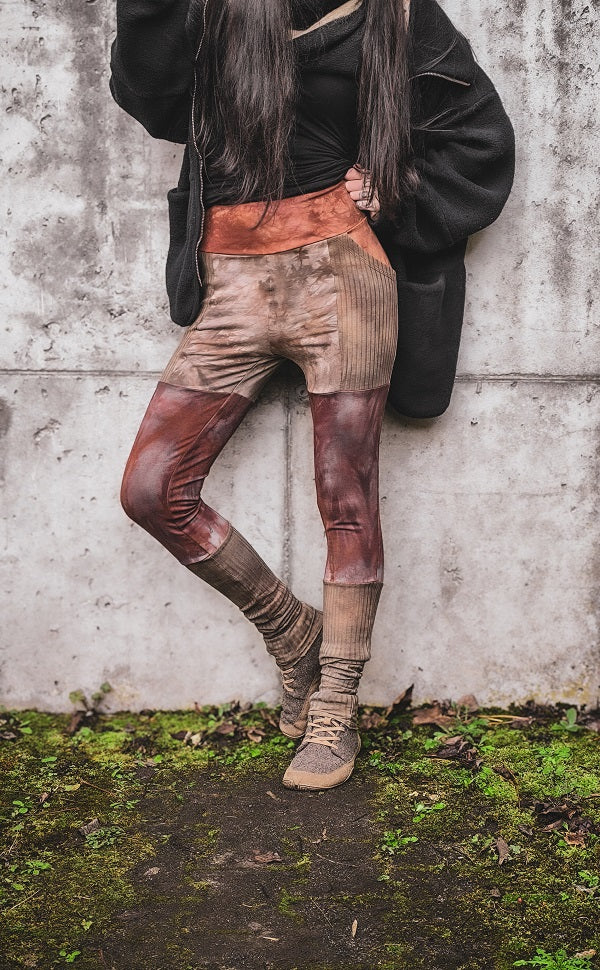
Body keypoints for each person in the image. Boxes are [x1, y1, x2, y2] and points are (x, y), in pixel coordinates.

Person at [109, 0, 515, 791]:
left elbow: (480, 138)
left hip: (343, 277)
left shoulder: (395, 14)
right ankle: (293, 633)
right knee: (152, 489)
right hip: (232, 280)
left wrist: (396, 184)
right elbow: (154, 100)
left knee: (346, 496)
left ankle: (336, 701)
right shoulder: (218, 12)